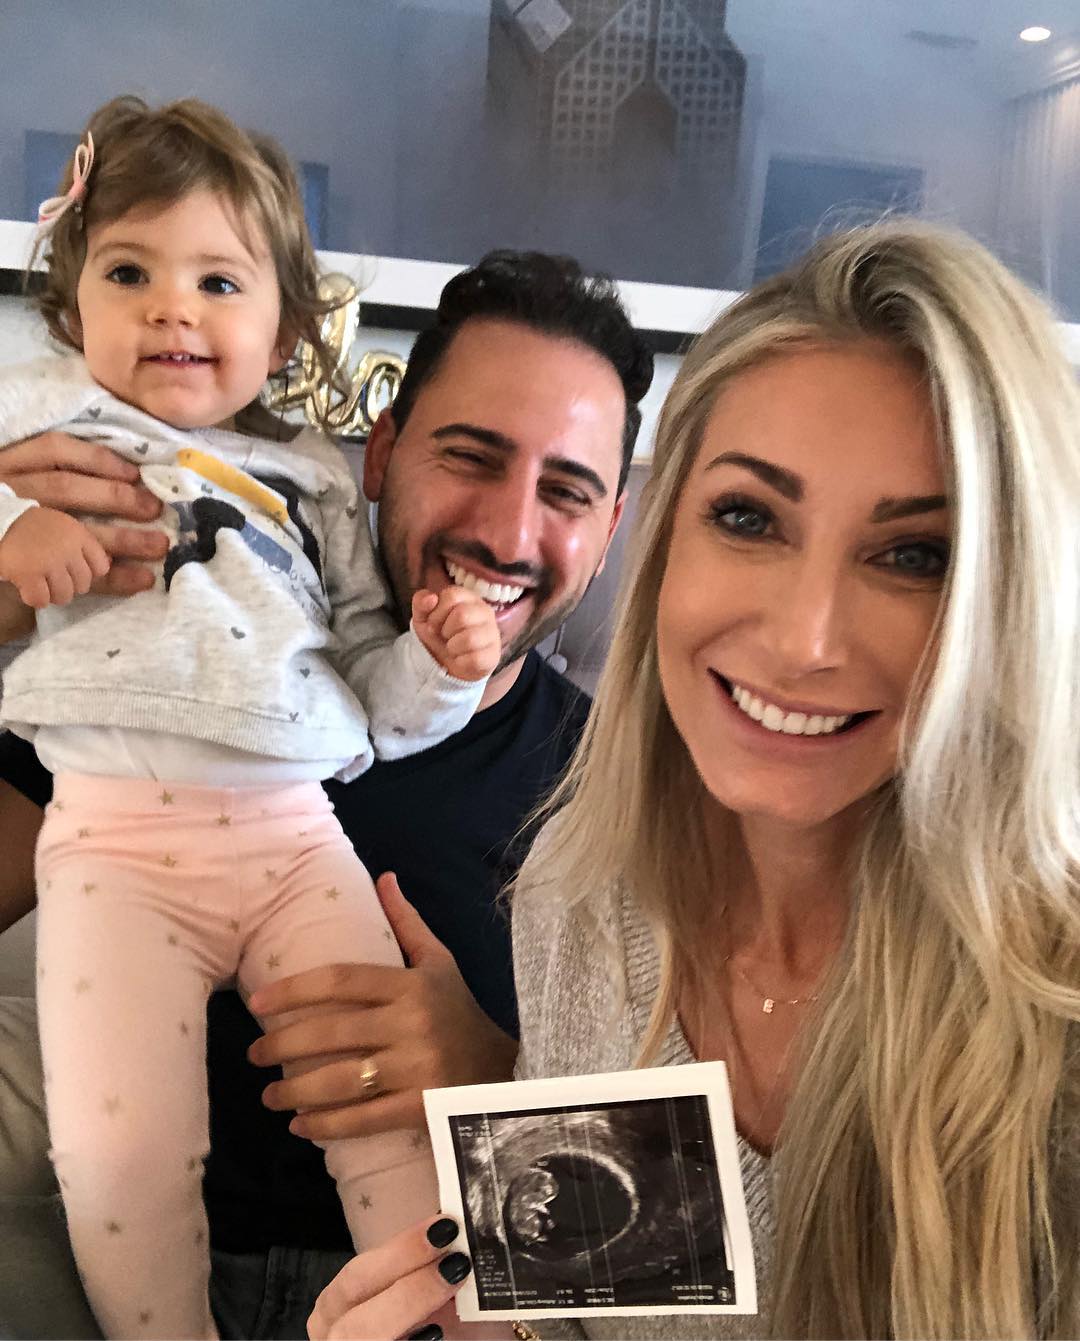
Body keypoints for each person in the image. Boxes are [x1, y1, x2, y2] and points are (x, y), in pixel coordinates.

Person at [306, 219, 1080, 1341]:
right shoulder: (582, 899)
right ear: (671, 539)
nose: (805, 641)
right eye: (749, 518)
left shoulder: (1051, 1023)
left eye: (917, 554)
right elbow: (600, 1313)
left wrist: (488, 1072)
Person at [0, 228, 654, 1338]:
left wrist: (495, 1075)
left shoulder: (627, 788)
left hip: (439, 1289)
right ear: (380, 453)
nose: (508, 531)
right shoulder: (160, 650)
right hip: (155, 1278)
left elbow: (689, 1194)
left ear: (610, 530)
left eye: (567, 491)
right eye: (472, 456)